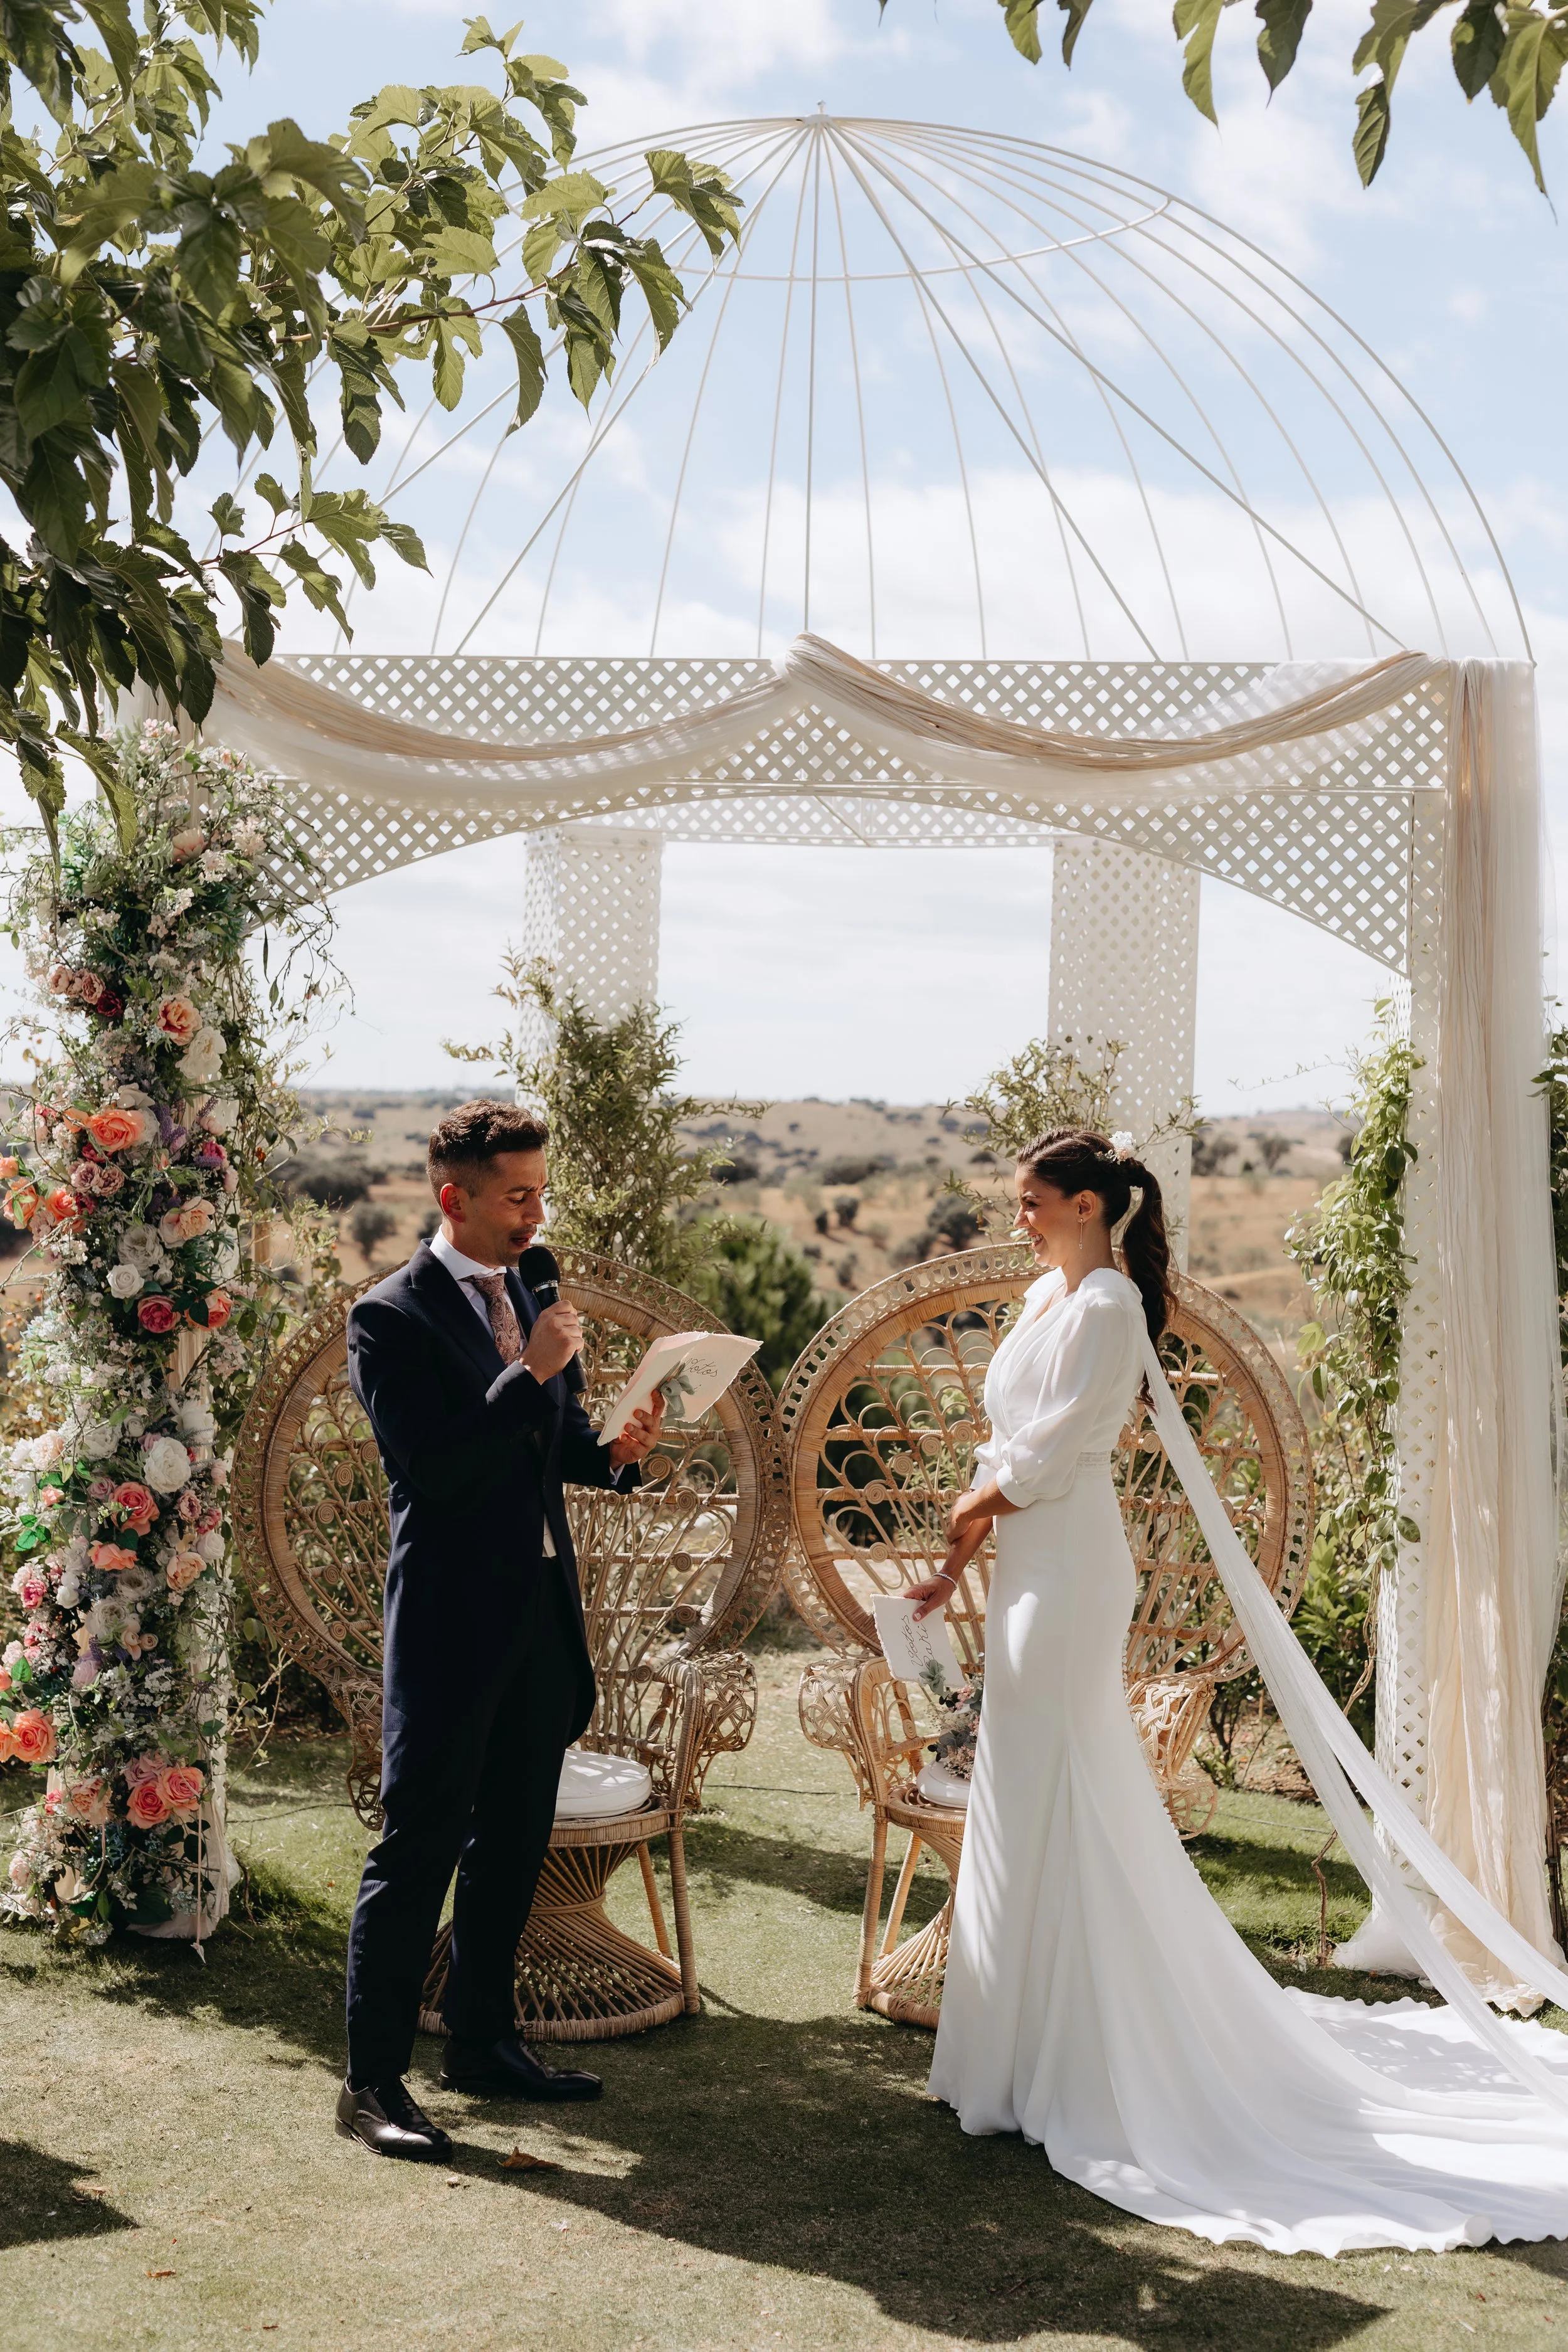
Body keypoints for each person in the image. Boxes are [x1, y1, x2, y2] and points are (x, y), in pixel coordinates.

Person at [909, 1127, 1568, 2255]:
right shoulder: (1040, 1294)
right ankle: (1006, 2055)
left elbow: (1059, 1453)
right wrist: (959, 1557)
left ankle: (1086, 2051)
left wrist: (975, 1519)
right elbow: (1004, 1440)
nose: (1016, 1217)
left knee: (1065, 1785)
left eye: (1031, 1201)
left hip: (1069, 1567)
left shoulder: (1113, 1309)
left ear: (1084, 1205)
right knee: (1021, 1797)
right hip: (1024, 1560)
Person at [335, 1100, 664, 2162]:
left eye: (539, 1192)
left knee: (513, 1841)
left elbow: (550, 1446)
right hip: (446, 1626)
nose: (535, 1212)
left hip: (537, 1620)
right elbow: (430, 1466)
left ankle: (480, 2042)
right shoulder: (389, 1316)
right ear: (455, 1198)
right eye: (516, 1194)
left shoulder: (531, 1287)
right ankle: (372, 2081)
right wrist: (526, 1377)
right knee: (418, 1844)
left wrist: (617, 1447)